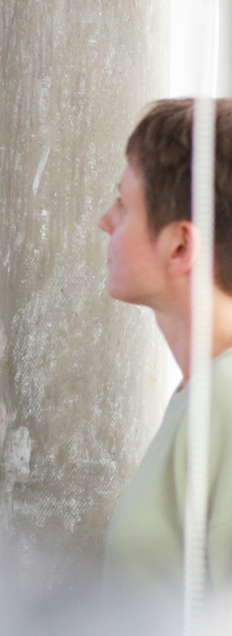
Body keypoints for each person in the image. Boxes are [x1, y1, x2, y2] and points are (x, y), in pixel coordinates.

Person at [99, 98, 232, 607]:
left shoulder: (224, 400)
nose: (104, 221)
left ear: (180, 246)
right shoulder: (200, 391)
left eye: (125, 205)